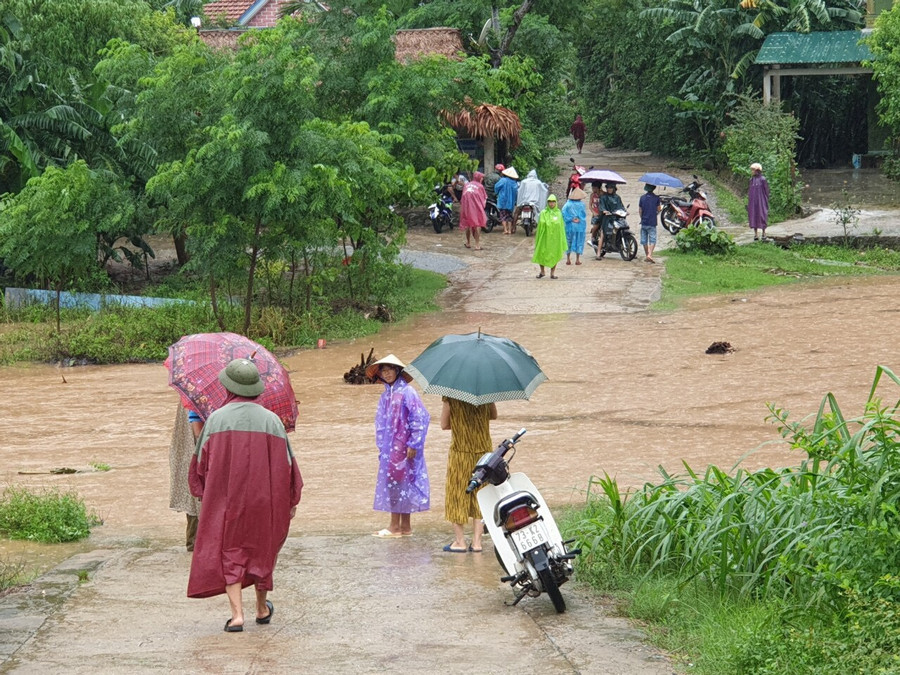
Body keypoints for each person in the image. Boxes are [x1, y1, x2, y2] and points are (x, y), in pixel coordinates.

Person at [188, 358, 303, 633]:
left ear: (228, 387)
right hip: (266, 500)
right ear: (256, 389)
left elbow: (200, 465)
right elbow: (289, 466)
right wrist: (290, 500)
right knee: (262, 550)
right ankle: (262, 609)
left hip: (228, 500)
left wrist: (205, 493)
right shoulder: (273, 421)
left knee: (231, 550)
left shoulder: (215, 420)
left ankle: (237, 616)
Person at [366, 355, 430, 538]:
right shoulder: (386, 395)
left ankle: (396, 527)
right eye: (383, 370)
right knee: (398, 483)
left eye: (389, 369)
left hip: (404, 446)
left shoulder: (408, 392)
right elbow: (380, 424)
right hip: (390, 448)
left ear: (397, 371)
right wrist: (382, 448)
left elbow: (420, 417)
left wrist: (414, 443)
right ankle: (403, 528)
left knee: (399, 483)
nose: (386, 374)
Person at [440, 397, 498, 553]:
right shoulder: (487, 393)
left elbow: (444, 425)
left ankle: (460, 542)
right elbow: (493, 415)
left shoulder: (450, 396)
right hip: (483, 454)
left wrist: (461, 423)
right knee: (481, 494)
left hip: (460, 453)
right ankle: (477, 542)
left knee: (457, 495)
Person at [168, 404, 201, 551]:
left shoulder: (194, 388)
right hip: (196, 451)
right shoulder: (199, 396)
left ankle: (194, 545)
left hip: (193, 457)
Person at [532, 194, 567, 279]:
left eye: (553, 202)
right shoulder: (543, 213)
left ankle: (552, 273)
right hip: (544, 237)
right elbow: (542, 223)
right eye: (550, 202)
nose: (551, 204)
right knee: (541, 253)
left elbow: (560, 225)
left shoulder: (558, 213)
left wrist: (551, 224)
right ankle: (542, 271)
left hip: (555, 238)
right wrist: (551, 224)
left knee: (554, 254)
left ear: (556, 203)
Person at [459, 171, 487, 250]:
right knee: (478, 223)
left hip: (466, 206)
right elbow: (484, 199)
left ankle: (468, 242)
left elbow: (463, 197)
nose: (482, 179)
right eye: (481, 177)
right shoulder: (480, 186)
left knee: (468, 223)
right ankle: (477, 245)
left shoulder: (467, 185)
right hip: (476, 207)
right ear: (479, 178)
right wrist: (482, 208)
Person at [514, 169, 549, 234]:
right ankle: (541, 227)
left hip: (524, 201)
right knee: (540, 213)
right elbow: (543, 190)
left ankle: (513, 227)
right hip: (534, 202)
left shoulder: (524, 182)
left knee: (516, 212)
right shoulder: (538, 182)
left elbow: (519, 190)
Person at [597, 183, 624, 259]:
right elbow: (601, 206)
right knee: (603, 234)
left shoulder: (617, 197)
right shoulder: (603, 197)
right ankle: (598, 253)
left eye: (611, 188)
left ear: (614, 189)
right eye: (608, 188)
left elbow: (621, 206)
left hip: (616, 217)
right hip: (607, 218)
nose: (609, 189)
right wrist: (604, 211)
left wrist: (625, 211)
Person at [563, 187, 588, 266]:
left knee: (568, 242)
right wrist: (578, 219)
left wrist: (570, 219)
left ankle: (568, 259)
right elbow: (583, 215)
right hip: (579, 225)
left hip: (570, 225)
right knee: (579, 241)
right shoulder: (581, 204)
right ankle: (577, 260)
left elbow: (563, 212)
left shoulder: (568, 204)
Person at [638, 183, 661, 263]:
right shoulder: (657, 198)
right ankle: (650, 255)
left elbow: (640, 210)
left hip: (644, 222)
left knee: (644, 240)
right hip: (652, 222)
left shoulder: (642, 198)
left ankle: (647, 255)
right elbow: (658, 209)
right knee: (653, 239)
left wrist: (642, 218)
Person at [748, 162, 770, 241]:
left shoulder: (763, 179)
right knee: (753, 215)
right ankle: (756, 234)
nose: (752, 171)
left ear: (757, 170)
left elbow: (766, 191)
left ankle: (764, 233)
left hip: (761, 201)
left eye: (753, 170)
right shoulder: (752, 180)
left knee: (762, 215)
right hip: (753, 201)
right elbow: (750, 191)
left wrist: (766, 200)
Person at [494, 166, 519, 235]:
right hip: (510, 202)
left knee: (503, 216)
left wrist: (496, 193)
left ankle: (505, 230)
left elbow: (496, 187)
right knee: (509, 216)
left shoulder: (503, 180)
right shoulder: (514, 183)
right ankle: (510, 230)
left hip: (503, 201)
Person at [588, 182, 603, 252]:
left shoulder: (603, 194)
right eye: (592, 188)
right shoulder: (592, 195)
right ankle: (592, 238)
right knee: (596, 226)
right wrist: (594, 212)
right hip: (595, 214)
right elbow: (590, 206)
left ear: (598, 188)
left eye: (594, 188)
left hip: (603, 214)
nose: (593, 189)